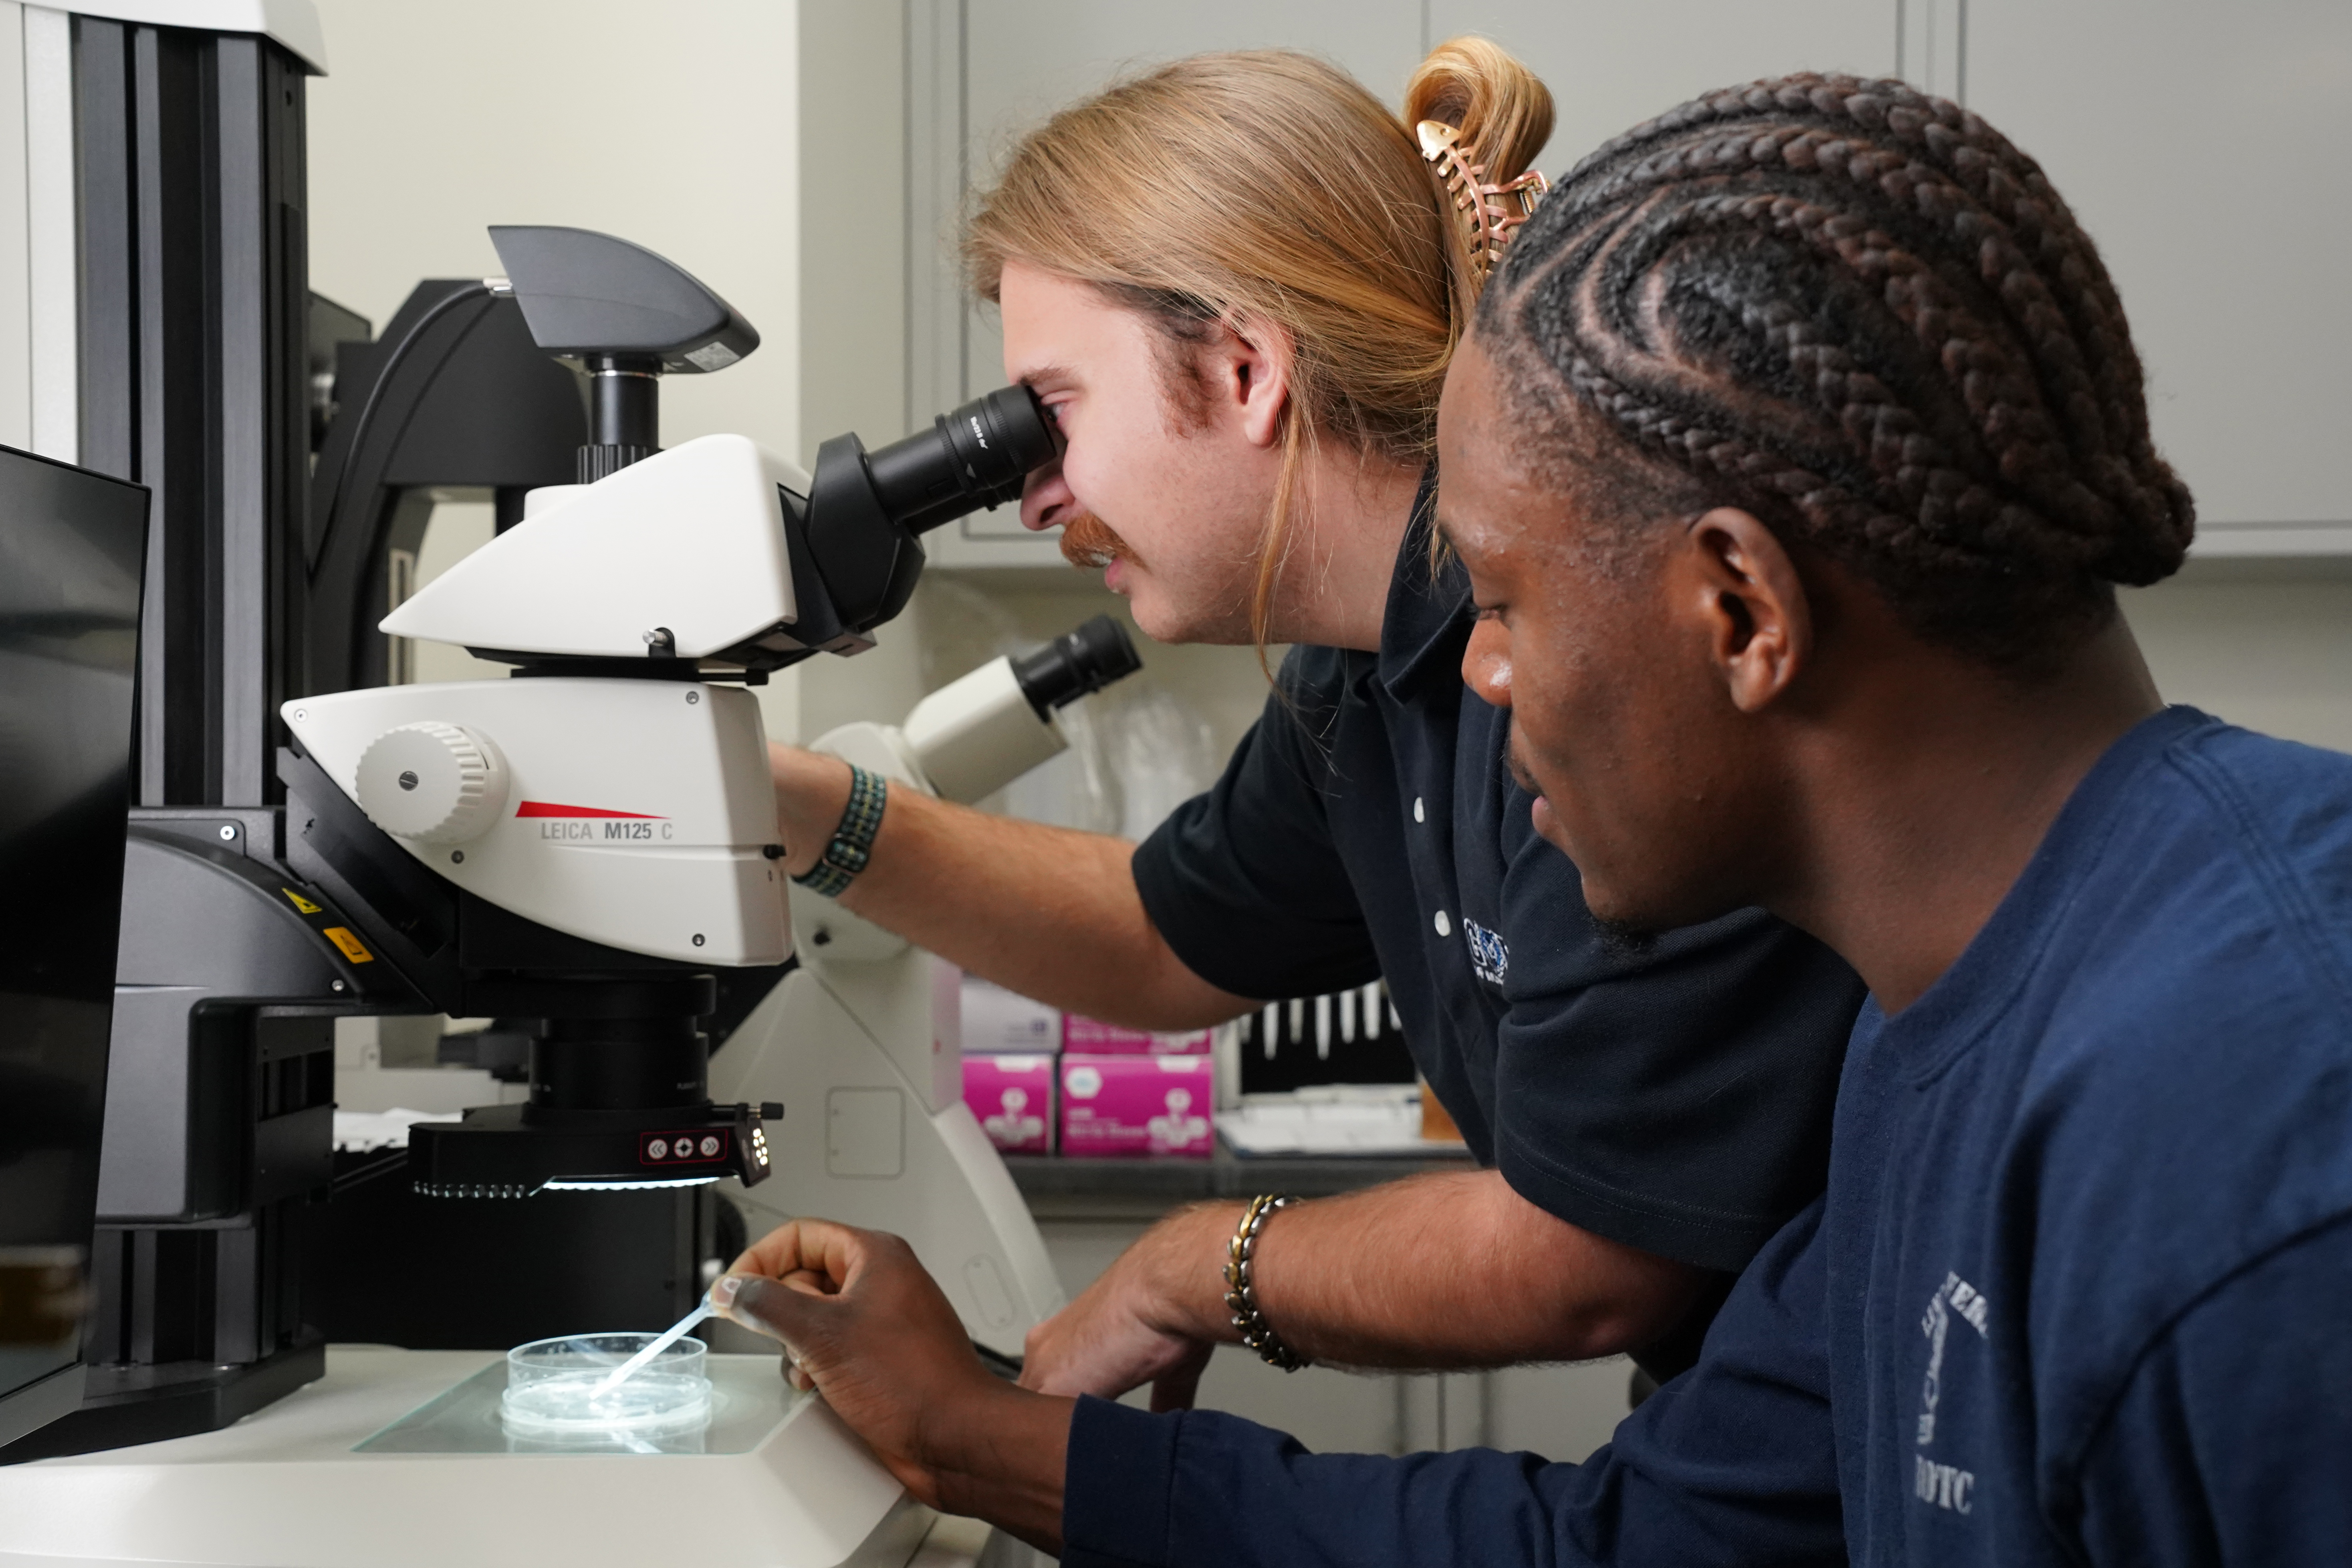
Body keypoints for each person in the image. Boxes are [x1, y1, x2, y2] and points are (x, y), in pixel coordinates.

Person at [718, 71, 2352, 1566]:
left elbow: (1590, 1294)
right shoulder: (1930, 1046)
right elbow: (1645, 1539)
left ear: (1738, 612)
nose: (1477, 674)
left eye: (1499, 602)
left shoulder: (2249, 1154)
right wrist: (985, 1441)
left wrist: (1158, 1305)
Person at [767, 40, 1861, 1406]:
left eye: (1052, 415)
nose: (1037, 494)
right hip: (1722, 1419)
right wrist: (789, 806)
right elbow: (1163, 934)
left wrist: (1192, 1265)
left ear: (1245, 369)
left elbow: (1588, 1252)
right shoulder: (1361, 668)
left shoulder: (1573, 659)